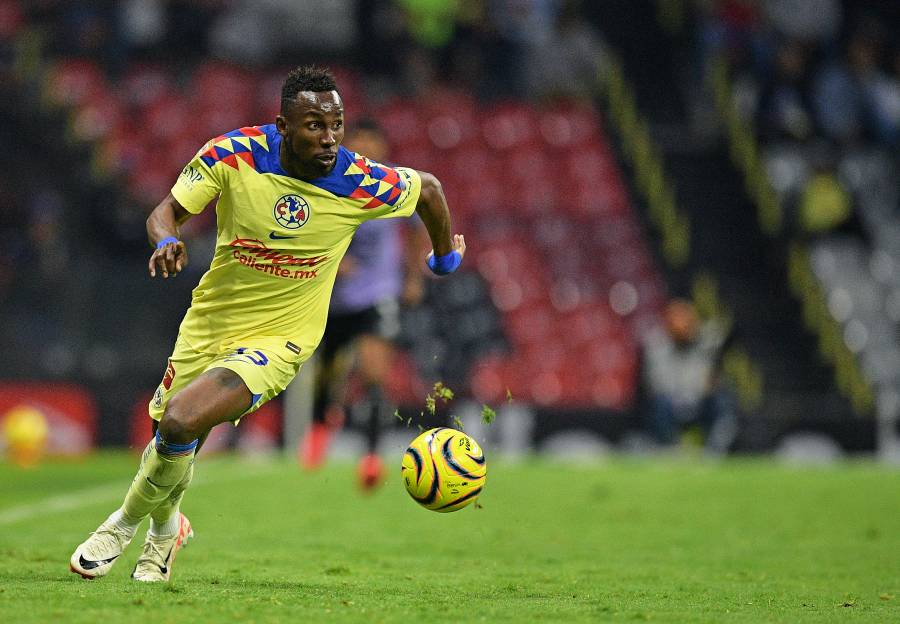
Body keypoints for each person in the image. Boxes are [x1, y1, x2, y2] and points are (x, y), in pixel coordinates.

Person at [69, 66, 466, 582]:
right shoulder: (231, 155)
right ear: (283, 125)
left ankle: (119, 526)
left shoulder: (359, 180)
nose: (329, 139)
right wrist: (166, 240)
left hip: (282, 337)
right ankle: (166, 532)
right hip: (211, 320)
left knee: (182, 421)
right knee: (169, 434)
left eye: (336, 125)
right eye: (314, 126)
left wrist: (442, 258)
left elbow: (430, 191)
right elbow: (164, 211)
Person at [299, 119, 425, 488]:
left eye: (373, 140)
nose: (366, 147)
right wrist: (334, 259)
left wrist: (413, 277)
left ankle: (370, 456)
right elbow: (307, 231)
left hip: (377, 293)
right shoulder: (327, 185)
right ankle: (321, 427)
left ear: (384, 147)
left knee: (374, 372)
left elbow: (418, 228)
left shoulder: (394, 186)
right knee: (327, 373)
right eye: (359, 141)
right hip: (335, 297)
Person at [640, 299, 737, 454]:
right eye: (676, 322)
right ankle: (668, 450)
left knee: (722, 398)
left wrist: (708, 386)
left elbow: (722, 328)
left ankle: (715, 450)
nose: (682, 327)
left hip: (700, 402)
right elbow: (656, 386)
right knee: (659, 404)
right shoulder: (656, 346)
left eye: (687, 322)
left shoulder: (706, 343)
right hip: (671, 404)